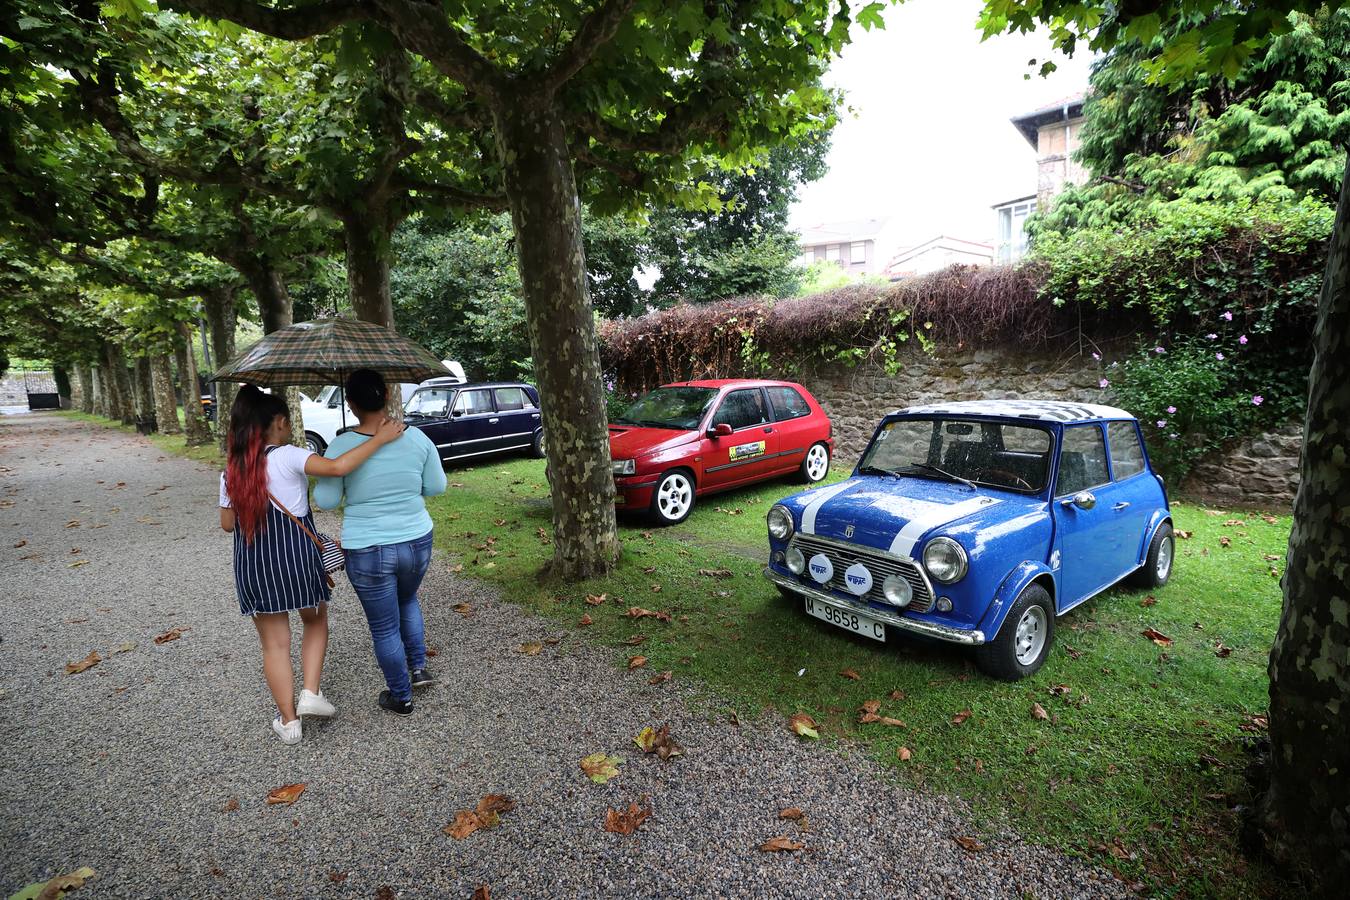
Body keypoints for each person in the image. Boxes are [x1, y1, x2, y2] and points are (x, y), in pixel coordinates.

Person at [219, 384, 404, 744]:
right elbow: (337, 467)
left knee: (274, 644)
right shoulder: (289, 455)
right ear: (278, 422)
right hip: (296, 555)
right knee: (314, 620)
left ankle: (288, 723)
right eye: (286, 423)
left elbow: (228, 525)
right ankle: (310, 693)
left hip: (252, 562)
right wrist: (379, 439)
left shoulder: (231, 471)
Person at [314, 369, 447, 716]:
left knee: (384, 625)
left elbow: (326, 501)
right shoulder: (417, 438)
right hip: (417, 539)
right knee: (408, 599)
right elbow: (436, 487)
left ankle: (400, 695)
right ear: (388, 396)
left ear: (351, 403)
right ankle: (418, 669)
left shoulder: (341, 446)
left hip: (368, 547)